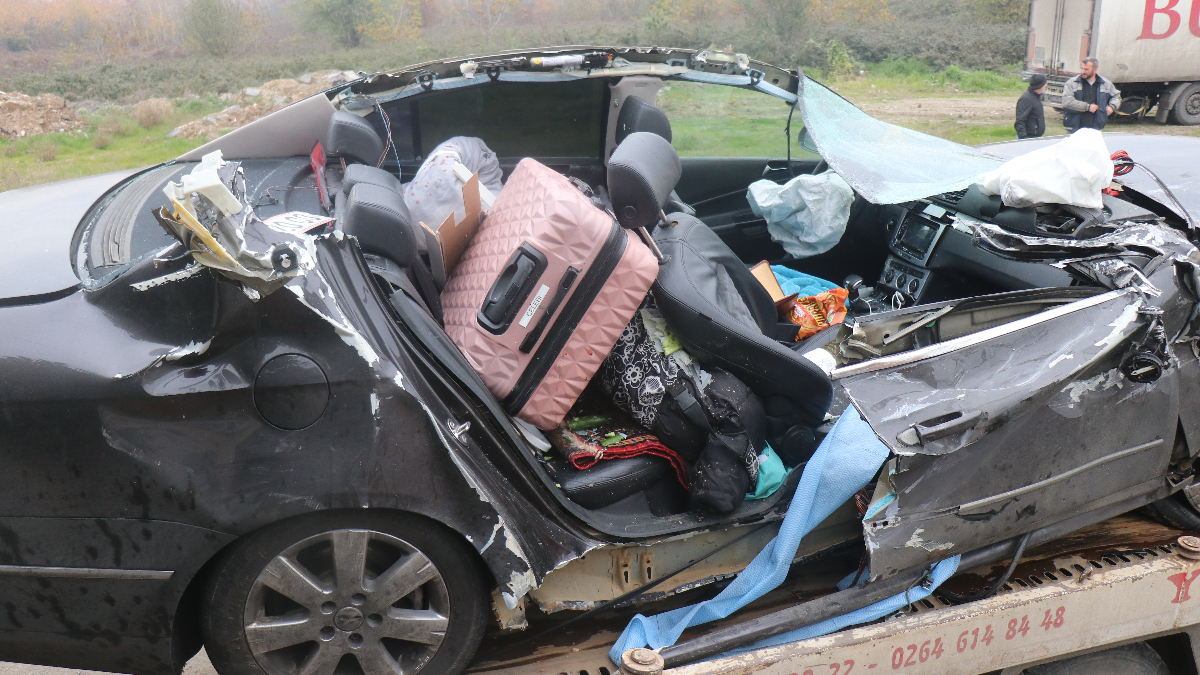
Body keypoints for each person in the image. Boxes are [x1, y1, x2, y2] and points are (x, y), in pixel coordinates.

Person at [1062, 57, 1122, 132]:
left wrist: (1112, 107)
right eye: (1082, 68)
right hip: (1075, 127)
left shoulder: (1106, 84)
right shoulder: (1071, 83)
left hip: (1096, 128)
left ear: (1095, 69)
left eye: (1087, 69)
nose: (1083, 71)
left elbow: (1116, 97)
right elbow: (1066, 101)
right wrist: (1087, 107)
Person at [1015, 73, 1047, 139]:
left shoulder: (1036, 97)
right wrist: (1023, 138)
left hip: (1035, 137)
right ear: (1041, 86)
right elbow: (1020, 121)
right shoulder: (1026, 99)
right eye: (1045, 84)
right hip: (1028, 138)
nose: (1046, 85)